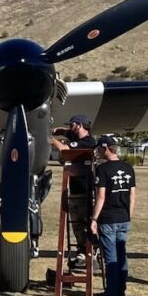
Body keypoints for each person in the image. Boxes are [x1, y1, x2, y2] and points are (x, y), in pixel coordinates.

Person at [88, 136, 135, 296]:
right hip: (124, 216)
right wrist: (128, 215)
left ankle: (111, 292)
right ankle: (121, 290)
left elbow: (100, 196)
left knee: (110, 257)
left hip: (108, 217)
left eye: (100, 149)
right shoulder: (128, 168)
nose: (99, 152)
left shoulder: (103, 169)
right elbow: (132, 195)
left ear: (106, 148)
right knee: (121, 255)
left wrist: (94, 219)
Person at [50, 115, 98, 269]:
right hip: (75, 189)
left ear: (80, 125)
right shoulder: (75, 136)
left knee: (85, 223)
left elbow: (64, 150)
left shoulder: (88, 142)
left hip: (85, 190)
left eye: (72, 125)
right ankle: (82, 252)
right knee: (76, 223)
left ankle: (92, 252)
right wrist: (52, 130)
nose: (70, 128)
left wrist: (49, 138)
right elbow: (63, 131)